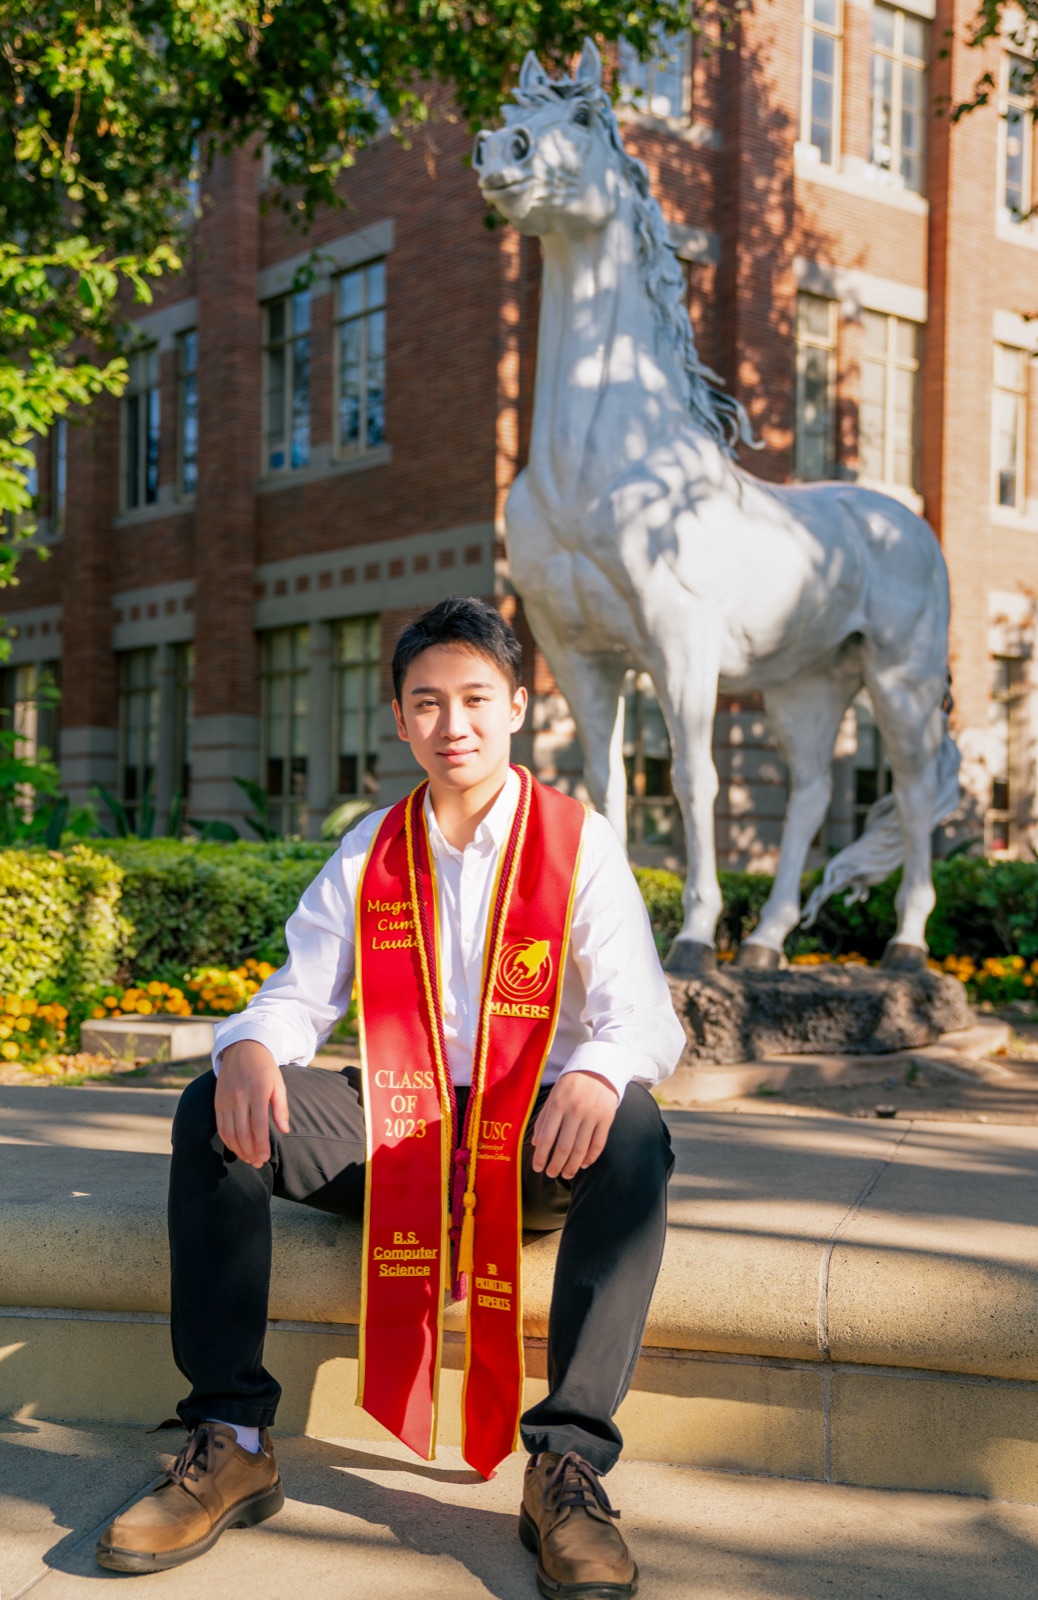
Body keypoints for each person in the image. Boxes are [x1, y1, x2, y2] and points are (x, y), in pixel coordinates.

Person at [97, 595, 683, 1599]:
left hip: (531, 1141)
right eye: (425, 703)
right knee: (213, 1107)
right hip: (400, 1129)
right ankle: (231, 1435)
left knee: (632, 1123)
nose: (450, 725)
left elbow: (645, 1020)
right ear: (399, 716)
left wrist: (594, 1068)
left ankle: (566, 1463)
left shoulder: (575, 843)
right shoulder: (374, 847)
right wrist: (245, 1046)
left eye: (472, 699)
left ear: (515, 708)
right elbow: (298, 991)